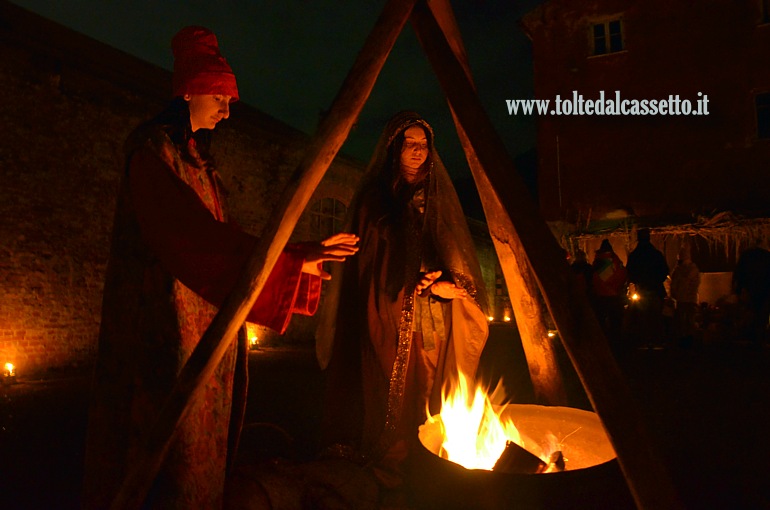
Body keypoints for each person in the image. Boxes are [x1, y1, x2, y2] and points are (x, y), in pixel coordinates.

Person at [82, 26, 358, 509]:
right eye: (221, 96)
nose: (229, 110)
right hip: (164, 334)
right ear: (188, 89)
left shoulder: (200, 163)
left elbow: (226, 241)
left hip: (207, 329)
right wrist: (291, 260)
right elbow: (193, 241)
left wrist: (301, 256)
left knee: (203, 456)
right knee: (165, 458)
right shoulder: (153, 155)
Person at [316, 111, 489, 490]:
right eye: (409, 144)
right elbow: (372, 261)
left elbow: (451, 252)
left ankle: (427, 460)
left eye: (423, 145)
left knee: (431, 383)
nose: (417, 152)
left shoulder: (438, 199)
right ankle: (389, 459)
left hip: (432, 314)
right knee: (388, 384)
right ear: (394, 149)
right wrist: (410, 283)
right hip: (385, 311)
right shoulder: (374, 200)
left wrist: (447, 281)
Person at [626, 228, 669, 349]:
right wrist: (656, 280)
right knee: (656, 316)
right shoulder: (656, 254)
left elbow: (630, 273)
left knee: (643, 317)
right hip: (656, 289)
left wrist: (638, 281)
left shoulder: (635, 255)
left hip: (643, 290)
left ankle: (645, 341)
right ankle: (658, 340)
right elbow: (664, 271)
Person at [590, 239, 627, 354]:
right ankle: (616, 346)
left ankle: (601, 345)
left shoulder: (596, 262)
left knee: (601, 322)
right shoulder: (616, 262)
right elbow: (622, 276)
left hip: (600, 297)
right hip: (614, 297)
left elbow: (593, 279)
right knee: (615, 322)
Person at [732, 246, 770, 347]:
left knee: (756, 312)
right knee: (761, 313)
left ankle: (756, 337)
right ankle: (759, 337)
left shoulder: (747, 256)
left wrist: (738, 289)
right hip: (764, 289)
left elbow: (738, 273)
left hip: (753, 289)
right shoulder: (765, 256)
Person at [670, 243, 701, 348]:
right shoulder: (693, 269)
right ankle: (689, 339)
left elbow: (676, 284)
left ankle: (685, 339)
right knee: (688, 321)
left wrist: (674, 294)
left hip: (683, 299)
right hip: (689, 299)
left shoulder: (680, 270)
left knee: (684, 321)